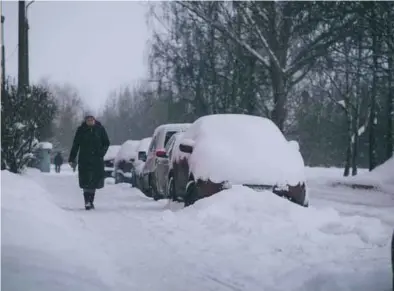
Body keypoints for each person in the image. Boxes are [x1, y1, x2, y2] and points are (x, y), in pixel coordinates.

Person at [68, 114, 110, 210]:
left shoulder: (100, 129)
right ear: (85, 121)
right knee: (86, 181)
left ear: (94, 120)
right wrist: (72, 158)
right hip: (84, 159)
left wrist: (101, 153)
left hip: (97, 160)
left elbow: (106, 143)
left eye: (92, 120)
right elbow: (76, 144)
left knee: (94, 181)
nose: (90, 121)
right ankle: (87, 201)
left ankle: (91, 201)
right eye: (88, 120)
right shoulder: (81, 130)